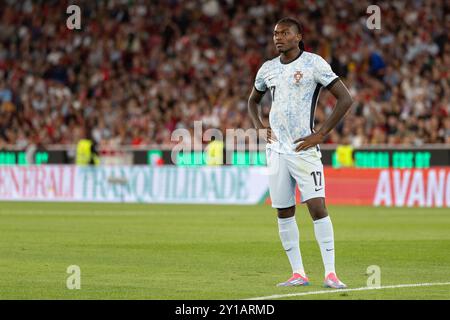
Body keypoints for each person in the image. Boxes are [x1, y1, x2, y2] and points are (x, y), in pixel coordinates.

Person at [248, 18, 353, 288]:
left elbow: (345, 98)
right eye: (275, 34)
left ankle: (330, 273)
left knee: (317, 208)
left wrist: (321, 134)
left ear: (298, 36)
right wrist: (259, 127)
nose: (278, 38)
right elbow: (252, 101)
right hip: (276, 151)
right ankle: (298, 273)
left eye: (284, 33)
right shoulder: (268, 69)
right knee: (284, 211)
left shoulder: (314, 63)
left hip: (303, 149)